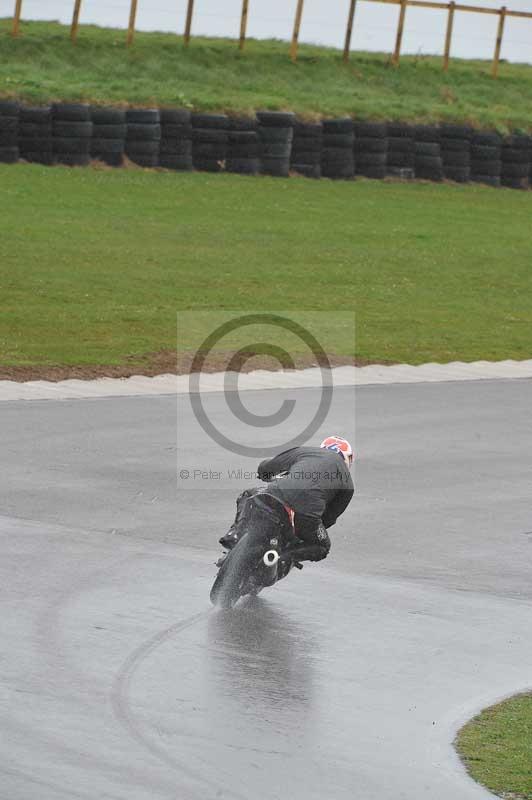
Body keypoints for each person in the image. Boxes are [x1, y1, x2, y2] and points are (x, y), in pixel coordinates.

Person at [219, 436, 354, 576]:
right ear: (348, 459)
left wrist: (264, 475)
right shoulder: (348, 484)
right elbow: (329, 518)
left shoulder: (305, 452)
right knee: (322, 546)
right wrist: (309, 530)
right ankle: (283, 557)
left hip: (274, 495)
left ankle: (235, 534)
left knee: (248, 495)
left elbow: (266, 467)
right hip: (306, 516)